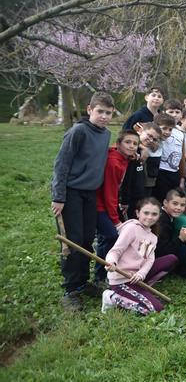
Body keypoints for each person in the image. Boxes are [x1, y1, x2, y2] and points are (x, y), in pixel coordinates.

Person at [51, 92, 114, 311]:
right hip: (71, 193)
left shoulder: (106, 134)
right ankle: (70, 290)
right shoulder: (78, 132)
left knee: (87, 240)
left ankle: (82, 282)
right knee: (73, 242)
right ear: (89, 110)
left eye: (108, 113)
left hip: (90, 194)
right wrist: (59, 197)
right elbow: (61, 164)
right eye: (100, 112)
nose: (104, 116)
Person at [102, 197, 178, 315]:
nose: (149, 217)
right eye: (146, 213)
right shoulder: (131, 228)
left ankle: (142, 288)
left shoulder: (152, 236)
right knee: (155, 309)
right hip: (121, 280)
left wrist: (141, 274)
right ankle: (111, 297)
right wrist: (112, 262)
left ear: (159, 216)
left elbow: (148, 259)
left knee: (171, 259)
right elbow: (116, 251)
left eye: (154, 214)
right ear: (138, 213)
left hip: (136, 277)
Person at [94, 129, 140, 287]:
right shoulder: (114, 162)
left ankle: (107, 270)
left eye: (135, 143)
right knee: (111, 236)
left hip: (108, 204)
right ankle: (100, 276)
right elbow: (109, 193)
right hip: (99, 205)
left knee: (109, 237)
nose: (132, 146)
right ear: (119, 143)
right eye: (128, 142)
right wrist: (115, 220)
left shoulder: (123, 157)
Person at [155, 188, 186, 278]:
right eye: (175, 204)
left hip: (169, 250)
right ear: (165, 203)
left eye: (182, 205)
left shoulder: (170, 215)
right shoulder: (161, 222)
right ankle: (182, 269)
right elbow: (161, 251)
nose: (178, 208)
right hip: (158, 258)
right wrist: (180, 239)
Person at [154, 107, 186, 200]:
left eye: (177, 112)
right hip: (160, 173)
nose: (174, 115)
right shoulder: (156, 133)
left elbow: (181, 157)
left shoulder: (180, 134)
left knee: (172, 199)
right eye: (171, 112)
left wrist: (182, 177)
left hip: (175, 174)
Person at [122, 122, 162, 221]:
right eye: (149, 135)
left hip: (139, 196)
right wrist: (124, 200)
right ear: (140, 131)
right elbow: (126, 178)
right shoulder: (131, 151)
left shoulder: (145, 151)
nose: (150, 140)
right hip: (127, 198)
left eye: (154, 139)